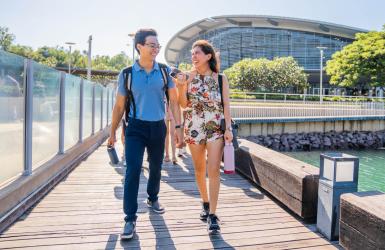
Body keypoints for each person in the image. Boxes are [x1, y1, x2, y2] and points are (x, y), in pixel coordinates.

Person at [108, 28, 183, 240]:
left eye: (157, 46)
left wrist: (178, 128)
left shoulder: (164, 71)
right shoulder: (127, 74)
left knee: (157, 167)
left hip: (158, 127)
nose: (156, 49)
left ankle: (153, 197)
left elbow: (175, 102)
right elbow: (119, 106)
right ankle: (130, 218)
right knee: (132, 170)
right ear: (139, 46)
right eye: (152, 45)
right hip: (135, 128)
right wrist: (112, 132)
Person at [174, 40, 233, 234]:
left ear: (208, 56)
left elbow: (226, 105)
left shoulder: (220, 79)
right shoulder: (187, 77)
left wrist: (228, 129)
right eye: (192, 53)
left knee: (214, 169)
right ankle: (205, 202)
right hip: (193, 127)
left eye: (197, 53)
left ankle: (213, 215)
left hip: (215, 127)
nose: (193, 56)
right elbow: (183, 104)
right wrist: (181, 86)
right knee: (200, 169)